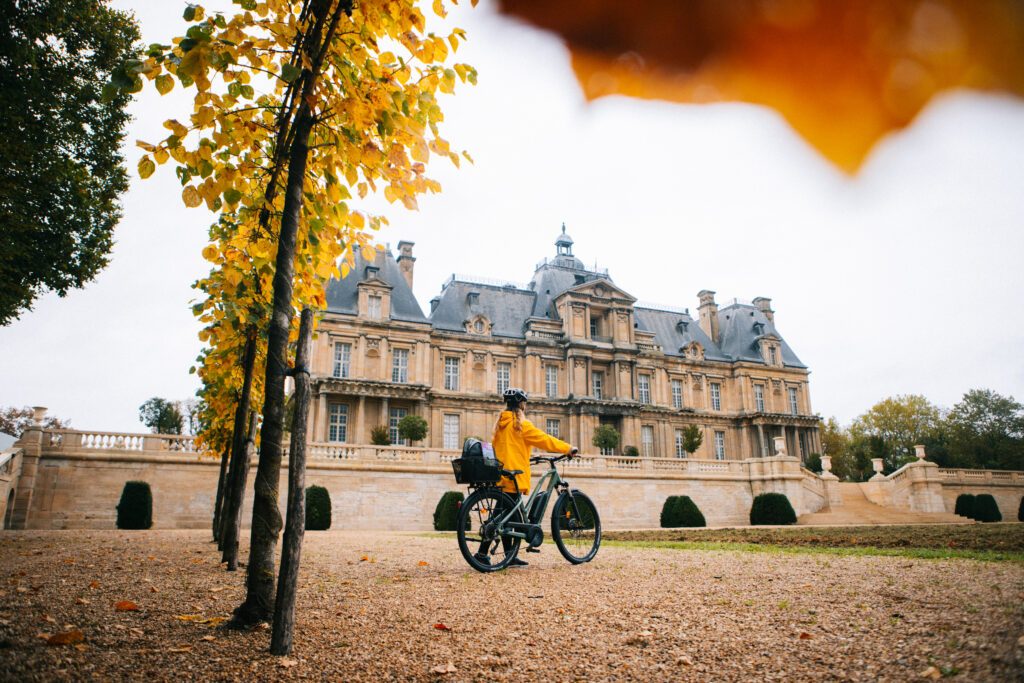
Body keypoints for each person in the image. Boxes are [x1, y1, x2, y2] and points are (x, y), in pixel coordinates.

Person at [477, 387, 577, 568]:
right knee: (503, 519)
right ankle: (482, 553)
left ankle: (508, 556)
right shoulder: (522, 425)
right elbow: (545, 440)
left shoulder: (500, 424)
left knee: (506, 517)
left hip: (500, 474)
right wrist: (568, 448)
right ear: (522, 404)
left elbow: (506, 449)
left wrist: (525, 456)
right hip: (514, 476)